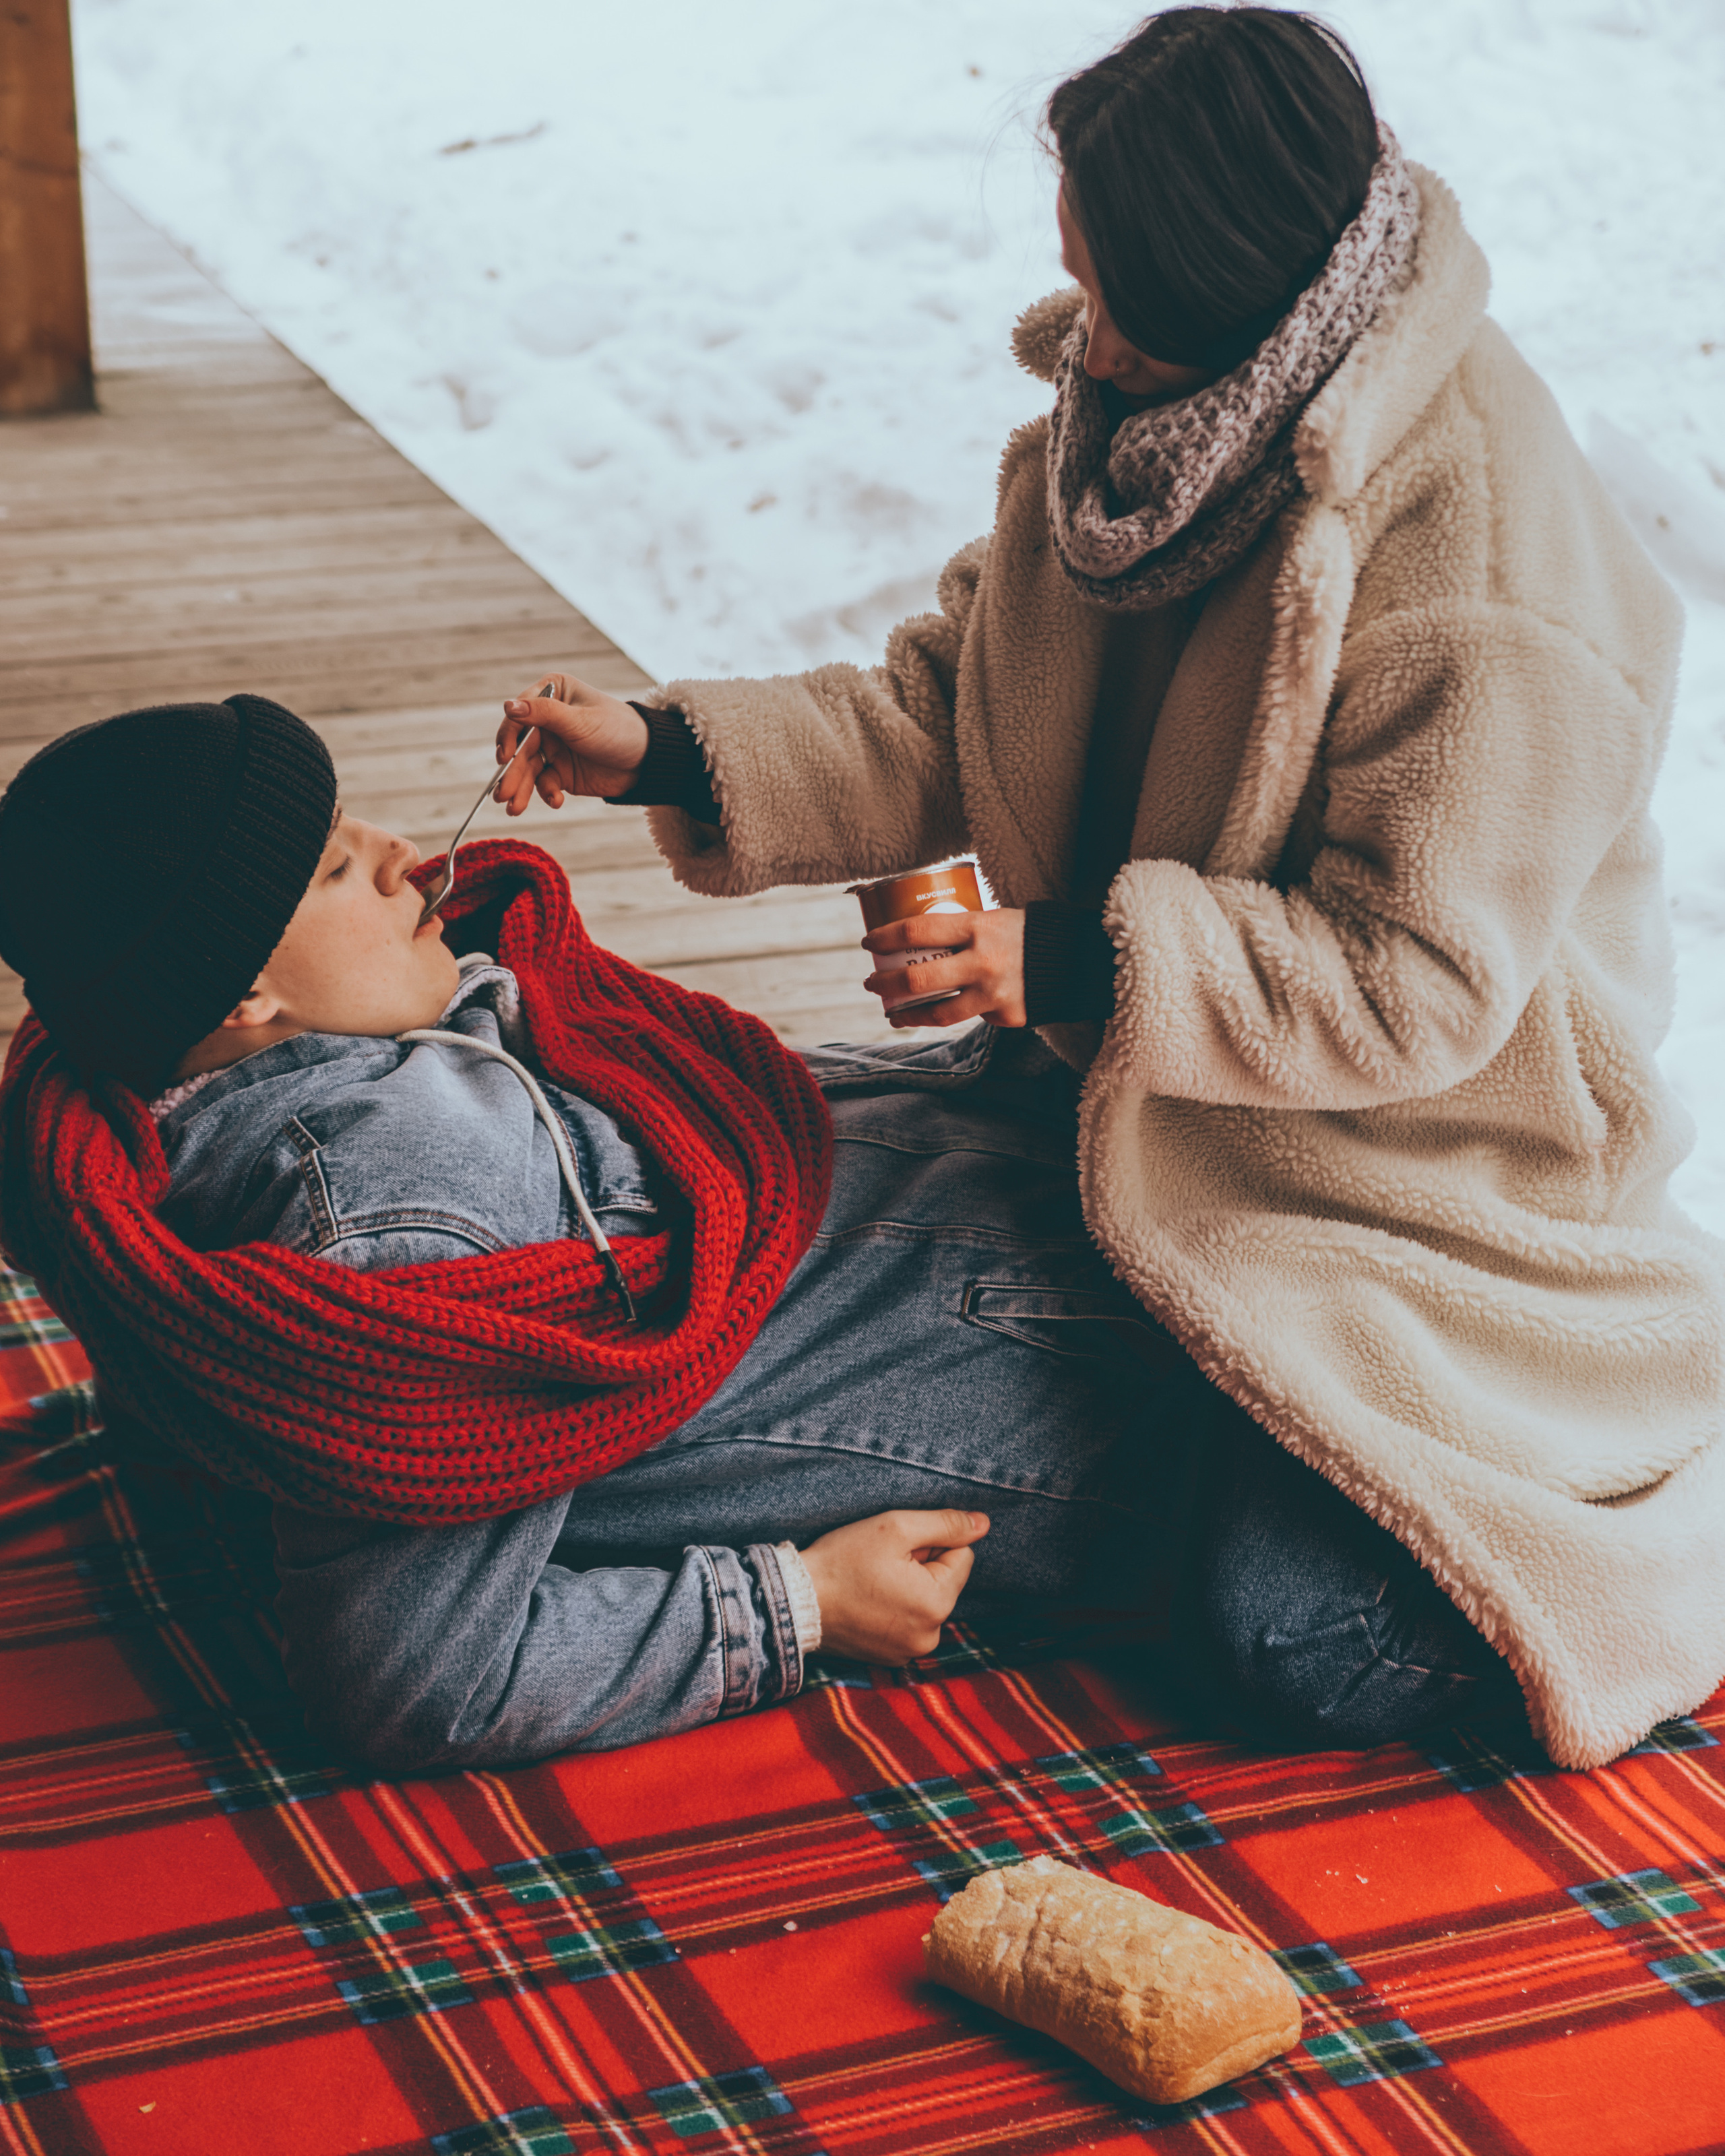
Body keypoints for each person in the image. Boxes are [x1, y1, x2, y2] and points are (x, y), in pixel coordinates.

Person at [484, 4, 1725, 1771]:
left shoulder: (1487, 584)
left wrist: (1063, 958)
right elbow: (956, 705)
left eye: (1115, 286)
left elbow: (1416, 985)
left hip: (1417, 1194)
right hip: (1166, 1111)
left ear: (1237, 283)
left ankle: (1592, 1507)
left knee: (1279, 1631)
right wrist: (672, 747)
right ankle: (1167, 1398)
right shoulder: (1155, 421)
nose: (1086, 324)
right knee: (777, 1162)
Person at [0, 694, 1180, 1771]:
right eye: (334, 872)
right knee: (1305, 1575)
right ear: (238, 999)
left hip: (962, 1205)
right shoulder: (404, 1215)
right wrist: (800, 1600)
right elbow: (416, 1684)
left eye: (357, 827)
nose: (407, 857)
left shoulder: (154, 1091)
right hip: (1039, 1340)